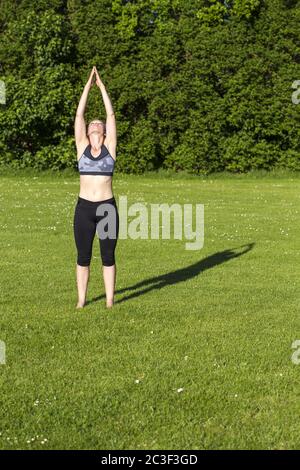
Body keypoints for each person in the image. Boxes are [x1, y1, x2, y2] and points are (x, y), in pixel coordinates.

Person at [73, 66, 119, 309]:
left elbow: (111, 116)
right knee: (83, 257)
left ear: (102, 131)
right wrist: (87, 87)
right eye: (92, 123)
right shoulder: (81, 147)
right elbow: (79, 116)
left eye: (97, 123)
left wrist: (101, 88)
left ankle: (110, 301)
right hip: (84, 210)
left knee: (108, 256)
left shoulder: (110, 147)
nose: (94, 123)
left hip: (107, 209)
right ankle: (81, 301)